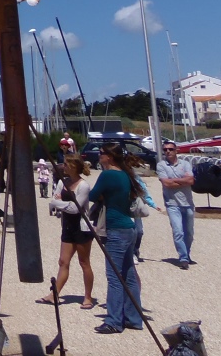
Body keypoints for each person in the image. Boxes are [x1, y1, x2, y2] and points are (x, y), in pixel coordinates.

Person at [88, 143, 144, 334]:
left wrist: (103, 196)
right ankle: (134, 318)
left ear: (109, 157)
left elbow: (93, 195)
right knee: (129, 276)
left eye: (101, 154)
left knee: (114, 277)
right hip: (129, 228)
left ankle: (114, 321)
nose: (99, 157)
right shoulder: (125, 174)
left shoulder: (108, 175)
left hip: (116, 229)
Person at [40, 155, 95, 309]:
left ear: (74, 166)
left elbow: (75, 208)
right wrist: (60, 203)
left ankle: (88, 297)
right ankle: (54, 294)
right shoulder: (62, 182)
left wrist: (58, 203)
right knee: (63, 262)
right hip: (68, 226)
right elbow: (54, 202)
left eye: (66, 164)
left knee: (84, 262)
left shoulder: (83, 185)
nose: (63, 166)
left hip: (81, 227)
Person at [155, 140, 196, 269]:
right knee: (178, 231)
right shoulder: (161, 166)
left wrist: (174, 180)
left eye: (171, 149)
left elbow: (191, 180)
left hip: (188, 203)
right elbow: (166, 184)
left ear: (176, 150)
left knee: (188, 232)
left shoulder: (185, 164)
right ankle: (183, 258)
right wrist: (182, 181)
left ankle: (187, 254)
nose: (168, 151)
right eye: (165, 149)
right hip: (172, 204)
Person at [127, 155, 160, 263]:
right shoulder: (120, 176)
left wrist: (153, 205)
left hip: (135, 207)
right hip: (124, 207)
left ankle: (135, 251)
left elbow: (143, 192)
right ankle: (130, 254)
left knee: (139, 231)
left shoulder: (135, 177)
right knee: (131, 232)